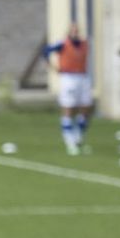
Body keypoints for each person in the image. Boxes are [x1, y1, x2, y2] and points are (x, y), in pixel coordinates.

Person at [45, 22, 94, 154]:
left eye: (77, 30)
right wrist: (53, 67)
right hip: (68, 77)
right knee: (68, 108)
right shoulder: (63, 44)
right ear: (69, 32)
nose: (75, 33)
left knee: (86, 107)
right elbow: (46, 51)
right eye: (73, 30)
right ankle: (69, 140)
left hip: (82, 77)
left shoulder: (85, 44)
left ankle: (78, 135)